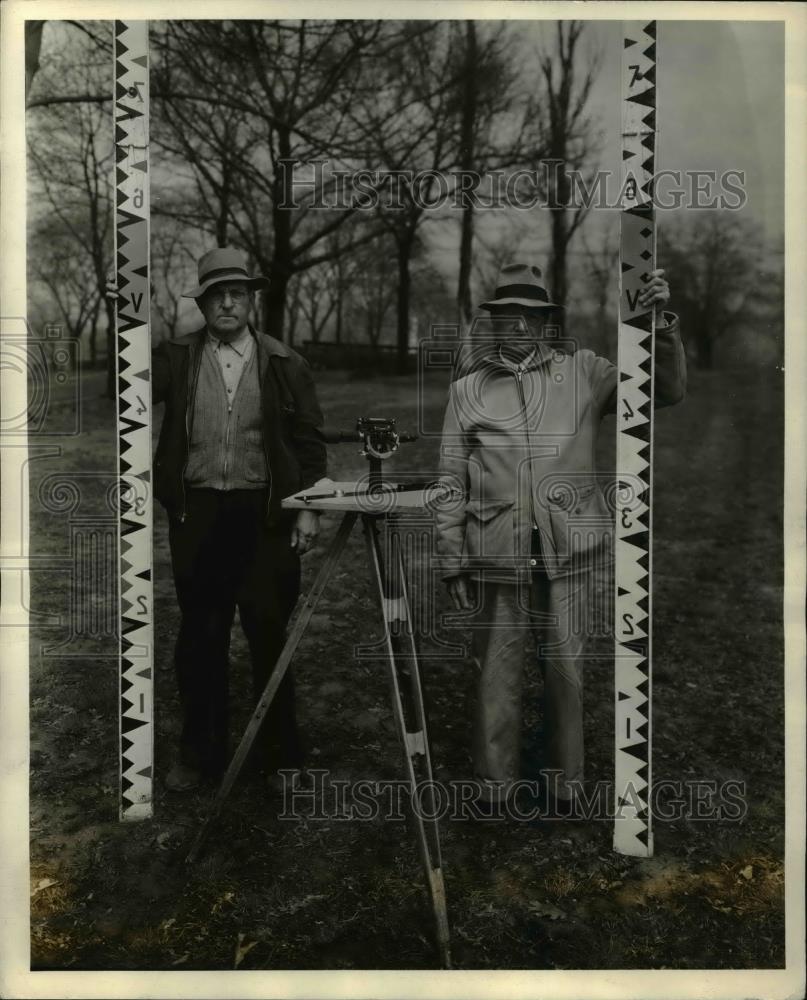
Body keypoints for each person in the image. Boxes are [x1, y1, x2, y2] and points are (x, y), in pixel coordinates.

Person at [434, 261, 686, 817]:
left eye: (532, 317)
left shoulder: (586, 372)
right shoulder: (466, 390)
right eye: (508, 317)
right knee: (494, 676)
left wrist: (657, 323)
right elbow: (450, 480)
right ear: (494, 323)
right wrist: (452, 560)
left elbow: (661, 391)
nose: (520, 327)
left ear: (547, 323)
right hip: (495, 553)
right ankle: (493, 787)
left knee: (565, 673)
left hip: (570, 553)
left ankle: (564, 786)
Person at [151, 247, 327, 791]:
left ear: (251, 301)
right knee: (200, 637)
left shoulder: (284, 363)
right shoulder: (175, 357)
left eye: (237, 294)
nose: (227, 303)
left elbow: (310, 443)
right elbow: (122, 392)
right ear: (202, 303)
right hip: (197, 514)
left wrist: (307, 510)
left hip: (266, 518)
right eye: (216, 295)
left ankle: (280, 758)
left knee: (269, 633)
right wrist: (122, 319)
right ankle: (199, 753)